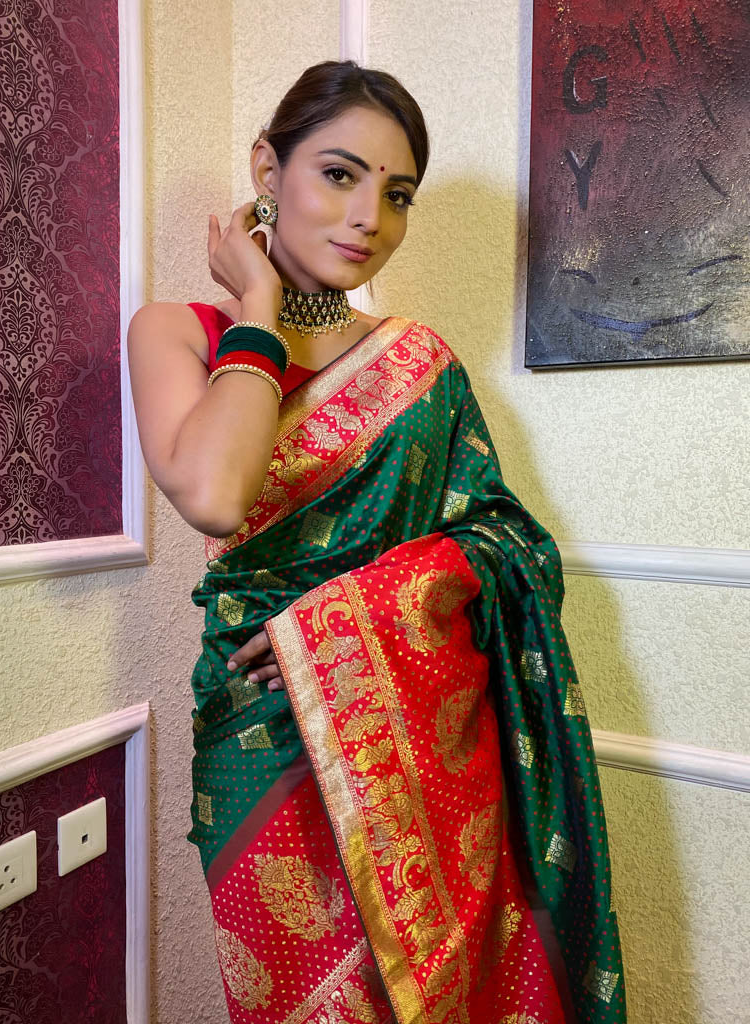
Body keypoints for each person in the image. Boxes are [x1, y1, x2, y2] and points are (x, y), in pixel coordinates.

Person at [129, 60, 626, 1024]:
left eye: (397, 195)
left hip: (425, 744)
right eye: (339, 175)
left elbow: (502, 540)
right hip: (261, 745)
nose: (370, 219)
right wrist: (259, 310)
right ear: (267, 170)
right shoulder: (177, 333)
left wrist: (333, 626)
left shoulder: (421, 364)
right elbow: (214, 495)